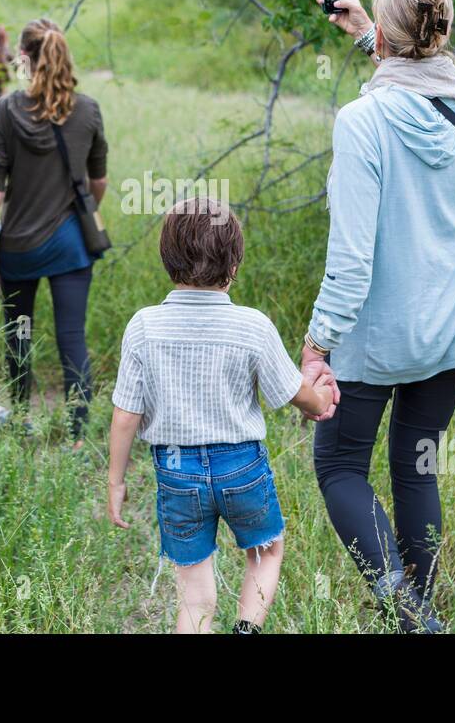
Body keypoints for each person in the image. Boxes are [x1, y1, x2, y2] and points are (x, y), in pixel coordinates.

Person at [303, 0, 455, 633]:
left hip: (376, 338)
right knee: (417, 467)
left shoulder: (362, 123)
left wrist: (317, 344)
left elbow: (351, 260)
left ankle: (409, 615)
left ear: (385, 34)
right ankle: (426, 606)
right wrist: (368, 34)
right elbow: (426, 72)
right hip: (453, 331)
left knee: (340, 466)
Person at [107, 199, 335, 634]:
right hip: (241, 465)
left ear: (167, 260)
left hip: (176, 471)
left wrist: (116, 481)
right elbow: (295, 395)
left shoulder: (143, 326)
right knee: (265, 551)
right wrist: (322, 399)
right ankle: (246, 628)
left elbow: (125, 415)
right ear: (234, 264)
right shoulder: (252, 326)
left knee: (194, 596)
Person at [0, 19, 106, 448]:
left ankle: (19, 417)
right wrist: (84, 209)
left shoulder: (6, 110)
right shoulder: (87, 109)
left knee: (20, 334)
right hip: (70, 244)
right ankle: (77, 440)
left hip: (18, 247)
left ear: (25, 59)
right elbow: (98, 180)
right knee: (73, 339)